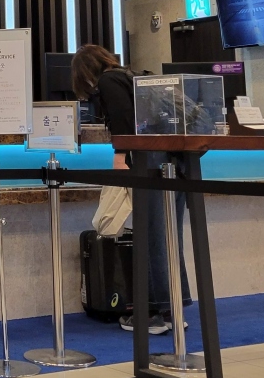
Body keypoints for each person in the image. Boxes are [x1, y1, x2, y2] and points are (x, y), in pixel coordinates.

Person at [71, 43, 190, 335]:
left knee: (151, 237)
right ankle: (171, 309)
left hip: (151, 162)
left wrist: (120, 155)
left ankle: (151, 315)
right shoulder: (129, 76)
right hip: (176, 161)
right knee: (169, 237)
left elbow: (124, 121)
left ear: (85, 72)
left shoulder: (109, 81)